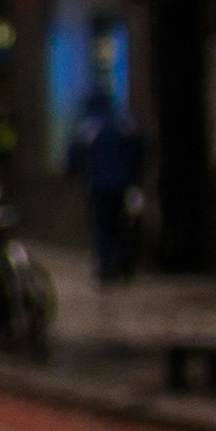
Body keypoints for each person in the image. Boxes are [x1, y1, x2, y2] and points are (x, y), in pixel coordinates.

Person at [69, 79, 152, 285]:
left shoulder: (88, 128)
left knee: (103, 228)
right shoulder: (125, 124)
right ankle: (125, 265)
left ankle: (107, 269)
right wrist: (135, 173)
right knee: (125, 226)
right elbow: (144, 147)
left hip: (99, 188)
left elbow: (72, 157)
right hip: (125, 186)